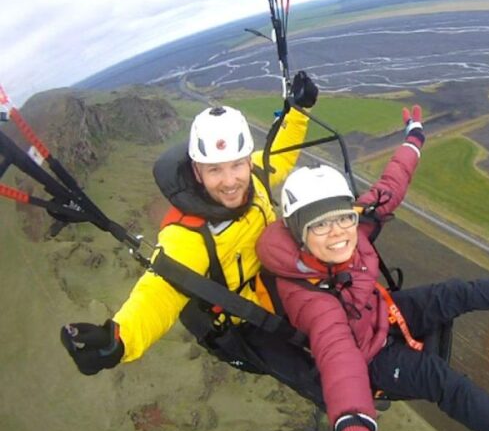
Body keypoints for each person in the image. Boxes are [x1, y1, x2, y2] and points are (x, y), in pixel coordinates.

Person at [255, 105, 489, 431]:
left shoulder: (354, 227)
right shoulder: (310, 296)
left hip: (379, 312)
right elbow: (338, 355)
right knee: (441, 380)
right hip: (368, 356)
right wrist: (354, 424)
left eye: (343, 217)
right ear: (300, 234)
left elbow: (390, 187)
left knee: (454, 293)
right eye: (321, 226)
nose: (337, 233)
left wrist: (413, 140)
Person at [60, 72, 325, 403]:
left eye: (236, 166)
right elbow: (159, 291)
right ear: (198, 173)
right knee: (317, 379)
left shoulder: (253, 177)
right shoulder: (188, 235)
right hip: (246, 325)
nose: (229, 181)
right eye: (215, 170)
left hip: (276, 284)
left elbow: (279, 157)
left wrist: (299, 110)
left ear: (246, 161)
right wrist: (118, 339)